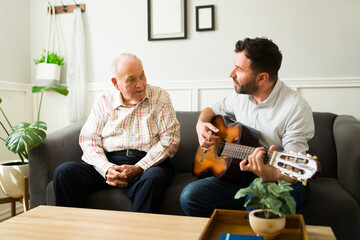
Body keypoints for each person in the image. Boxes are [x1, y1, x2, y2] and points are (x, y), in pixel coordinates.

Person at [180, 37, 315, 217]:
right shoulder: (240, 96)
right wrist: (200, 124)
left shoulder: (296, 108)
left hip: (282, 178)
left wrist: (269, 174)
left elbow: (292, 172)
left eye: (239, 69)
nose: (231, 73)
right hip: (241, 174)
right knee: (190, 196)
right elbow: (211, 110)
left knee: (257, 197)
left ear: (261, 78)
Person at [54, 53, 180, 213]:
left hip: (147, 165)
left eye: (142, 76)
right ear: (116, 83)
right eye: (131, 79)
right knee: (64, 172)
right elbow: (89, 140)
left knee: (155, 178)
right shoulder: (104, 101)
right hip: (109, 161)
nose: (140, 84)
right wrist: (106, 169)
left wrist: (139, 167)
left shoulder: (160, 97)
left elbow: (170, 140)